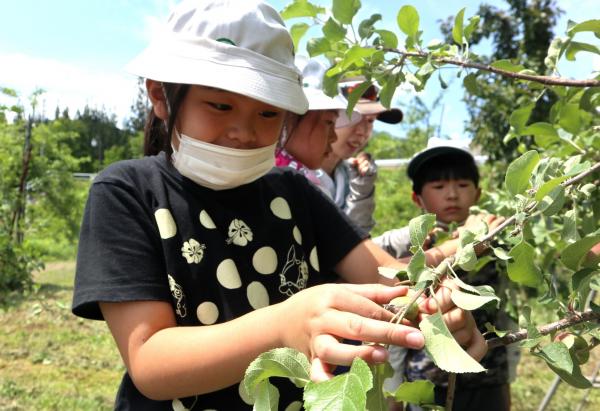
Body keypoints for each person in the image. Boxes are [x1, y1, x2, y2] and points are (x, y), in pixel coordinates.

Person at [71, 2, 487, 410]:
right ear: (161, 96)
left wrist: (437, 303)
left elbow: (385, 276)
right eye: (220, 105)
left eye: (268, 113)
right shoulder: (127, 192)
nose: (244, 131)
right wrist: (286, 326)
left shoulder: (293, 193)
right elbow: (150, 363)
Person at [373, 137, 515, 411]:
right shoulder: (411, 243)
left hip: (487, 373)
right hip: (429, 381)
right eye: (438, 186)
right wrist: (392, 398)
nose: (452, 194)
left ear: (478, 193)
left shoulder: (494, 235)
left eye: (462, 185)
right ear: (418, 198)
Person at [318, 78, 403, 233]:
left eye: (370, 121)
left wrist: (362, 187)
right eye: (353, 116)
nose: (362, 131)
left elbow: (355, 239)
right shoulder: (287, 168)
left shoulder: (352, 175)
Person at [275, 57, 361, 187]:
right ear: (289, 118)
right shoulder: (275, 184)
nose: (334, 137)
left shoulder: (307, 183)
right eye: (329, 122)